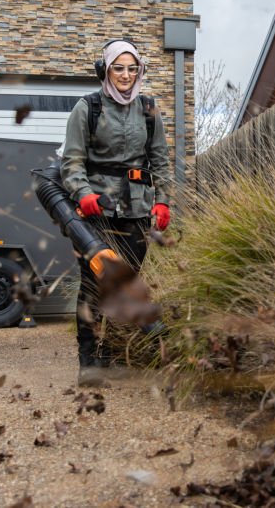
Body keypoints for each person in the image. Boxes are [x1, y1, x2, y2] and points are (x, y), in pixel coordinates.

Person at [60, 38, 171, 384]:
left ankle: (110, 354)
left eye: (131, 68)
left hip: (136, 212)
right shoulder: (87, 108)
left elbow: (162, 163)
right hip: (96, 212)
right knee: (94, 284)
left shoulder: (149, 110)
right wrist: (82, 193)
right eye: (118, 68)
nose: (125, 75)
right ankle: (88, 364)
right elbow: (72, 160)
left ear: (140, 72)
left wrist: (163, 200)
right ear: (105, 70)